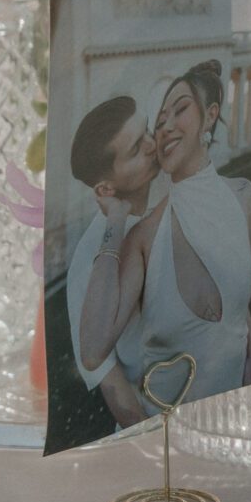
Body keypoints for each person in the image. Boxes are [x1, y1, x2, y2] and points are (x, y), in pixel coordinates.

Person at [80, 61, 251, 420]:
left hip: (236, 428)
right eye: (159, 121)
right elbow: (92, 350)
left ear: (210, 117)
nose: (165, 127)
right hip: (166, 444)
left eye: (179, 110)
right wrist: (114, 222)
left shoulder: (243, 197)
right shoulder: (143, 236)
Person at [66, 91, 168, 430]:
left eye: (147, 132)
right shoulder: (89, 259)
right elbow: (108, 380)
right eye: (136, 148)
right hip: (158, 428)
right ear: (106, 189)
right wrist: (156, 442)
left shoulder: (172, 193)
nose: (153, 145)